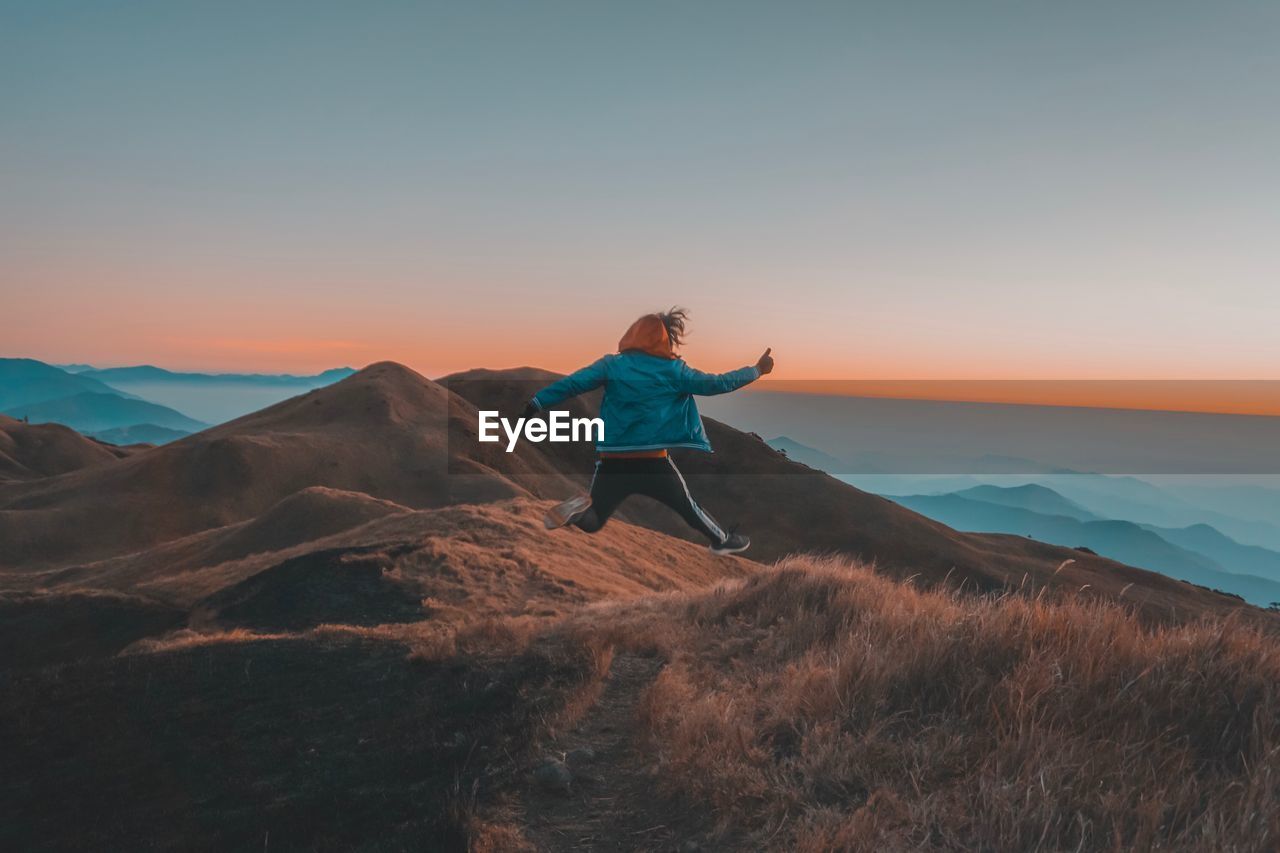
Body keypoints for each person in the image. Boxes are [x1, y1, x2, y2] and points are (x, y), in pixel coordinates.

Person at [523, 308, 774, 556]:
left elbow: (573, 383)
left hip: (611, 461)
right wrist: (757, 370)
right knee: (689, 508)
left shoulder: (611, 365)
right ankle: (722, 541)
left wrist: (537, 402)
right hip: (652, 462)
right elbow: (718, 383)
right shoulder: (674, 370)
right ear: (666, 339)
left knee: (594, 520)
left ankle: (577, 515)